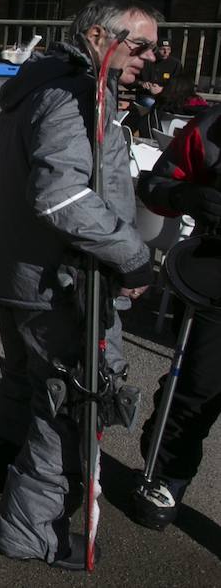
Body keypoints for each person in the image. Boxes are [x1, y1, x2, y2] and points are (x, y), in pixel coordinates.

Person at [0, 0, 160, 571]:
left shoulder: (46, 85)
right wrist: (132, 255)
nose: (149, 58)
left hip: (27, 275)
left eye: (154, 47)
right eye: (140, 45)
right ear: (100, 37)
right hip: (61, 284)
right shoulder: (71, 94)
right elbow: (62, 194)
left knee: (24, 384)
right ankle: (32, 533)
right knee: (68, 406)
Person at [132, 104, 221, 530]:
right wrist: (187, 196)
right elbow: (153, 186)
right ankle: (166, 473)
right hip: (214, 283)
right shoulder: (212, 127)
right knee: (195, 390)